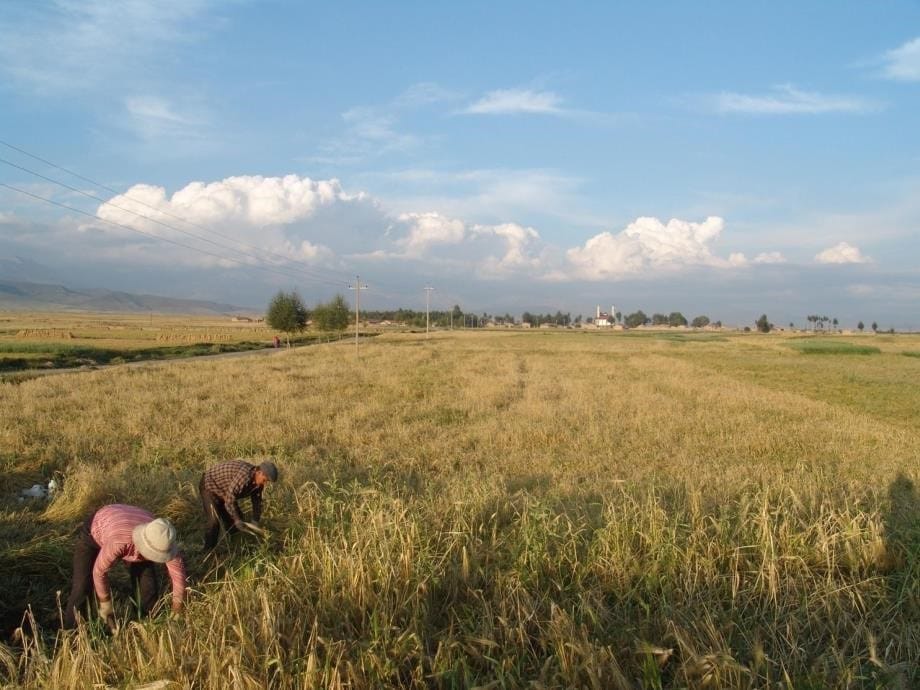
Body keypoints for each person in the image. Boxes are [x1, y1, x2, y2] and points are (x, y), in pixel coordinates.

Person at [63, 504, 186, 629]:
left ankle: (148, 624)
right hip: (96, 529)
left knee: (148, 587)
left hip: (131, 520)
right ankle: (72, 632)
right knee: (82, 585)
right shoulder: (120, 542)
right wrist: (106, 604)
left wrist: (177, 610)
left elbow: (179, 578)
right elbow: (99, 572)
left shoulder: (164, 539)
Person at [199, 459, 278, 550]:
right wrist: (237, 520)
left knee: (236, 519)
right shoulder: (244, 477)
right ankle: (208, 551)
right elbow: (229, 500)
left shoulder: (258, 484)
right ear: (259, 472)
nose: (264, 483)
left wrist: (255, 520)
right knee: (214, 521)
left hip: (225, 492)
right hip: (210, 486)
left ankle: (233, 545)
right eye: (264, 480)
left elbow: (257, 501)